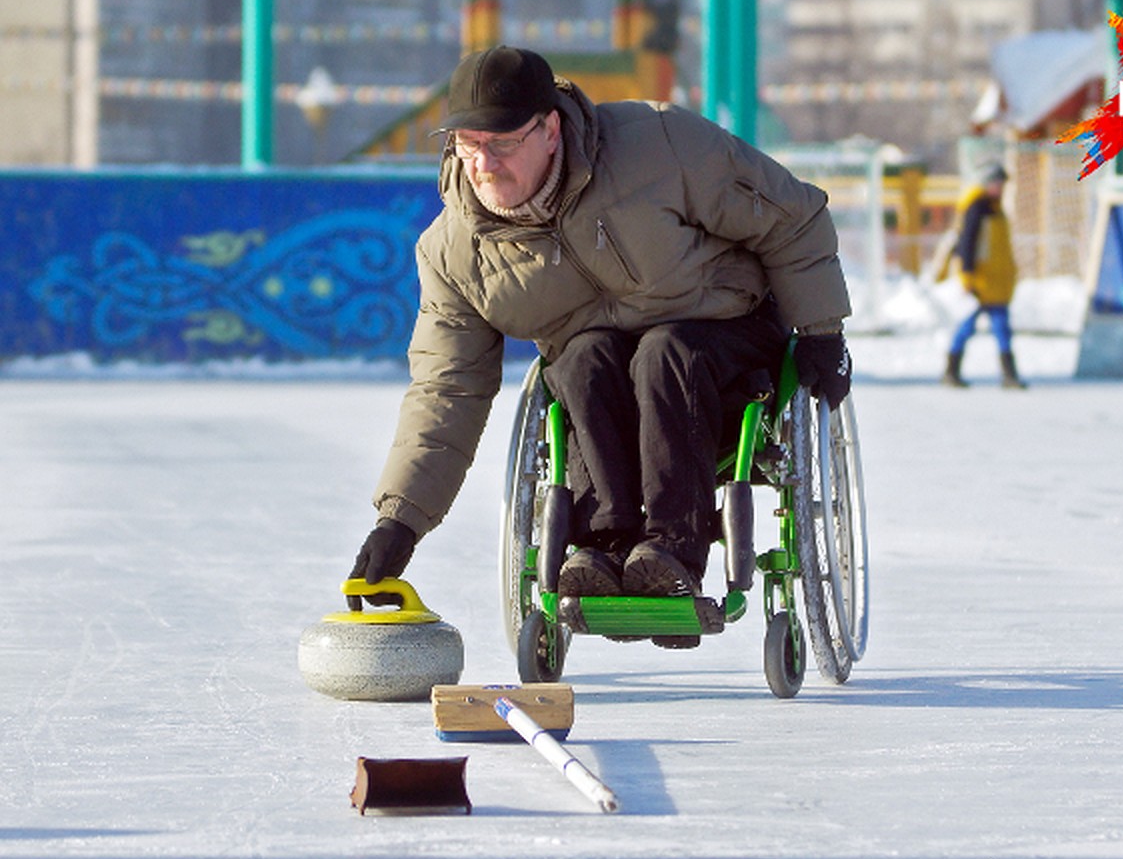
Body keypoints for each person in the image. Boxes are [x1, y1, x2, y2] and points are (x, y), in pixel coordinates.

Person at [349, 45, 852, 609]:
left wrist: (821, 330)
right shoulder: (454, 255)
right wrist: (402, 519)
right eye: (469, 145)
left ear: (550, 130)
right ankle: (603, 545)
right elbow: (447, 386)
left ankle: (671, 548)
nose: (484, 164)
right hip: (603, 393)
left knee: (665, 351)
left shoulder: (662, 145)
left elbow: (793, 216)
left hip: (724, 341)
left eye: (503, 143)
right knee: (580, 361)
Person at [941, 163, 1026, 389]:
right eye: (997, 183)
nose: (1001, 188)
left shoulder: (995, 207)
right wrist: (967, 275)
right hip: (980, 280)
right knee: (968, 325)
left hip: (996, 280)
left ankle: (1009, 374)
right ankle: (952, 369)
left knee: (1002, 327)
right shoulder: (977, 207)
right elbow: (967, 242)